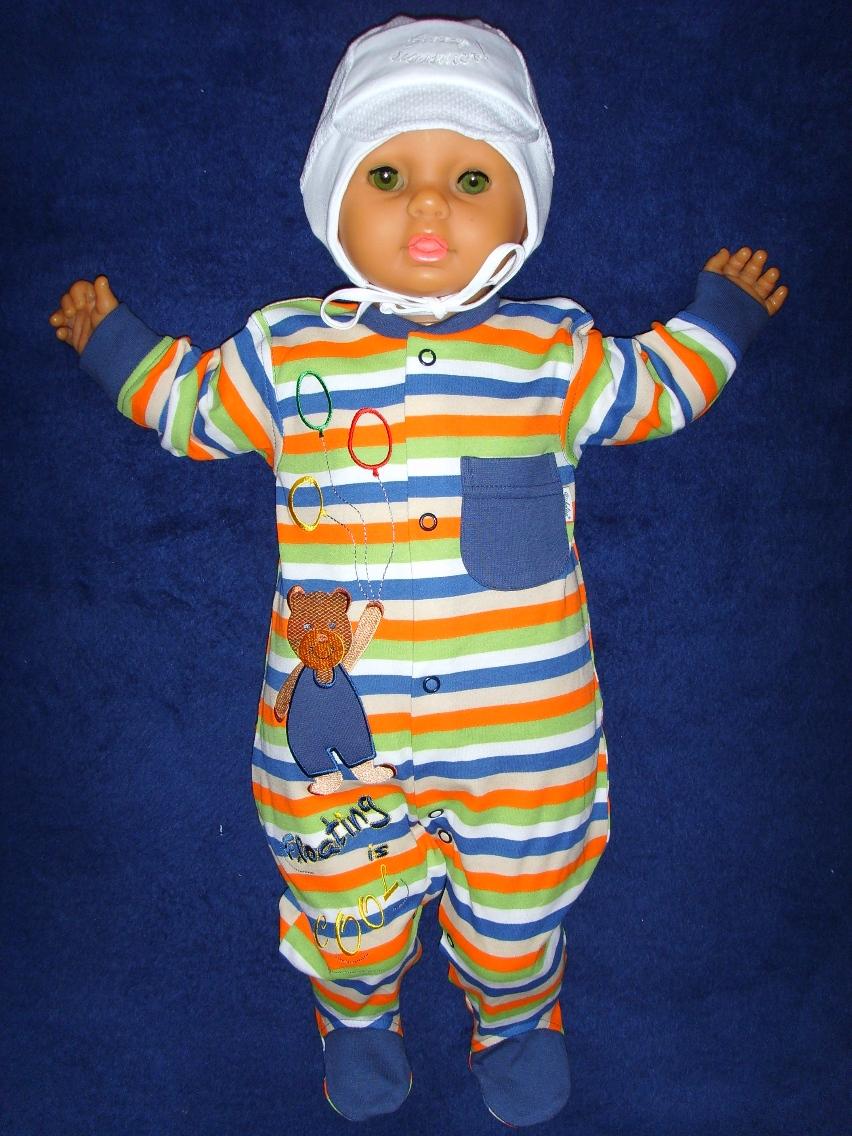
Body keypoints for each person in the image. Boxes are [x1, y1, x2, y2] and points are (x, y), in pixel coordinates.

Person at [48, 15, 787, 1128]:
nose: (430, 206)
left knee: (519, 909)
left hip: (520, 740)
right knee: (338, 896)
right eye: (388, 176)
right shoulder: (287, 349)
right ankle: (354, 1010)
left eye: (471, 178)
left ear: (523, 214)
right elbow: (191, 407)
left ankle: (517, 1013)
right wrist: (114, 345)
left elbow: (657, 388)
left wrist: (721, 316)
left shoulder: (552, 351)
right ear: (332, 204)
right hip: (329, 733)